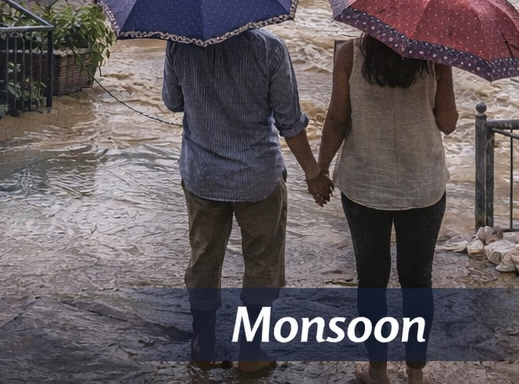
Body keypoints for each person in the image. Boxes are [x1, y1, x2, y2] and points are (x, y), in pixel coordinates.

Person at [163, 27, 323, 374]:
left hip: (202, 174)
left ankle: (203, 346)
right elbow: (290, 121)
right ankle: (251, 353)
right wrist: (313, 173)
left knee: (204, 258)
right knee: (262, 263)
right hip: (258, 177)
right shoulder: (271, 49)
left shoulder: (179, 43)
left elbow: (173, 102)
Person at [310, 36, 457, 384]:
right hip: (423, 187)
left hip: (365, 186)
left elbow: (337, 119)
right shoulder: (435, 55)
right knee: (418, 281)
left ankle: (377, 371)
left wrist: (321, 170)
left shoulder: (349, 53)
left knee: (371, 281)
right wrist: (445, 69)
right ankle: (415, 374)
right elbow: (448, 122)